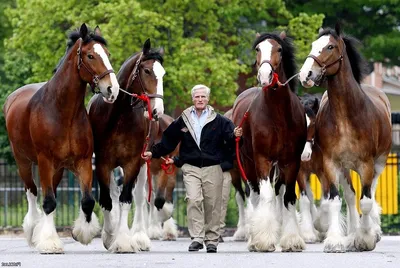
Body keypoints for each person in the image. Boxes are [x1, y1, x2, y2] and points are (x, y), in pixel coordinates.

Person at [142, 84, 242, 253]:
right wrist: (153, 152)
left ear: (208, 99)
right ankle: (197, 237)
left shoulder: (220, 120)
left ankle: (211, 240)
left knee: (212, 204)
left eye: (203, 97)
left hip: (213, 167)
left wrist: (235, 136)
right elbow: (169, 140)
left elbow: (232, 142)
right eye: (197, 97)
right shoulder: (183, 119)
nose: (200, 99)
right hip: (191, 166)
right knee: (193, 200)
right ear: (192, 99)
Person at [218, 140, 234, 243]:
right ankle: (204, 231)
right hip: (206, 169)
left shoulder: (227, 126)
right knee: (205, 201)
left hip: (224, 170)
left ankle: (218, 232)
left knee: (223, 202)